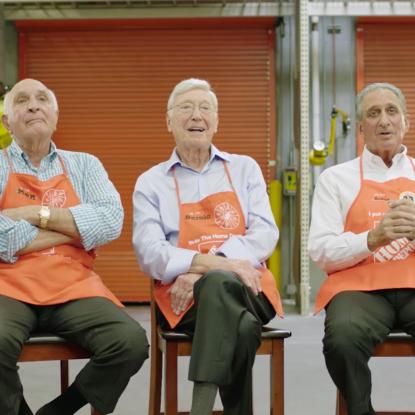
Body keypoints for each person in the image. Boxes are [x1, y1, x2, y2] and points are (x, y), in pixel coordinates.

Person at [132, 78, 283, 415]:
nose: (196, 115)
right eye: (185, 107)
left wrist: (199, 271)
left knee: (218, 285)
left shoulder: (244, 169)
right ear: (168, 121)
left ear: (216, 121)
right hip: (185, 304)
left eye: (205, 108)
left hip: (251, 290)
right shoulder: (152, 182)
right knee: (241, 326)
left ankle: (200, 407)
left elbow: (265, 235)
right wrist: (222, 265)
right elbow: (150, 254)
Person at [0, 78, 149, 415]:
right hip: (7, 286)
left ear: (55, 114)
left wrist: (29, 214)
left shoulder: (85, 165)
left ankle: (59, 410)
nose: (34, 105)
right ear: (7, 121)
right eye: (22, 100)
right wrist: (77, 228)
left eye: (42, 99)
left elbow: (110, 221)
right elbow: (93, 225)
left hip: (72, 286)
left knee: (129, 342)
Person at [309, 82, 415, 415]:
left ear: (405, 122)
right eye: (373, 113)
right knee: (341, 339)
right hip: (360, 290)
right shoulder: (335, 179)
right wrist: (372, 238)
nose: (384, 121)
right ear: (359, 128)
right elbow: (321, 249)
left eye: (391, 111)